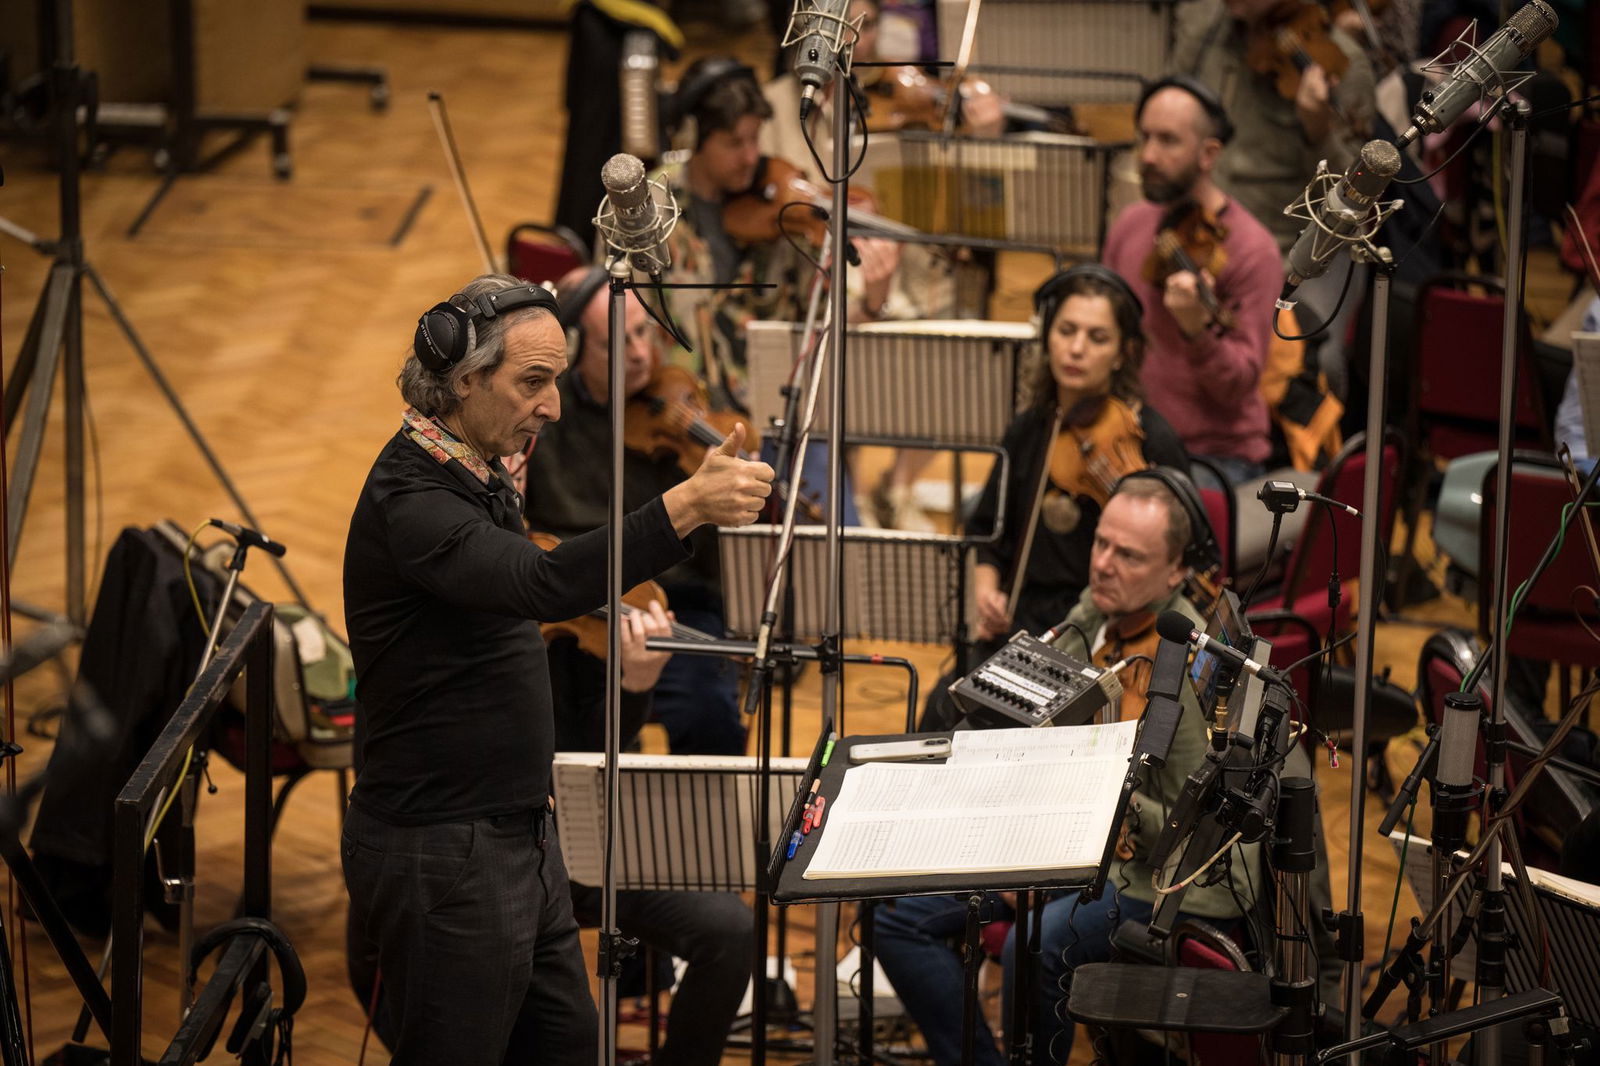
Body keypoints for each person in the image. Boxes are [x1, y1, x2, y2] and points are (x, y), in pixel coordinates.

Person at [341, 273, 775, 1065]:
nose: (554, 406)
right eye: (532, 382)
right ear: (464, 380)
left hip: (521, 834)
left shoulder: (476, 471)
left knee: (568, 1045)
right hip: (444, 851)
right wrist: (683, 506)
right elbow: (541, 584)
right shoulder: (414, 503)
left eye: (557, 380)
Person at [875, 474, 1258, 1066]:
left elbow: (1191, 833)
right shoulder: (1095, 613)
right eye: (1101, 543)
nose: (1103, 564)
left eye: (1129, 555)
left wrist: (1058, 852)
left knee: (1039, 941)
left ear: (1176, 573)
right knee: (895, 914)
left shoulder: (1186, 668)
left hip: (1161, 880)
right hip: (1074, 844)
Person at [526, 266, 745, 756]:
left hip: (676, 602)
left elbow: (712, 557)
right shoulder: (543, 420)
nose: (642, 354)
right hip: (579, 607)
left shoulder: (680, 405)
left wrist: (713, 492)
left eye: (643, 332)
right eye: (617, 344)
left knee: (709, 714)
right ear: (575, 350)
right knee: (568, 727)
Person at [657, 55, 900, 413]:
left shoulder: (784, 210)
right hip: (681, 413)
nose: (750, 157)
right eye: (734, 143)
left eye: (755, 138)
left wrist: (873, 301)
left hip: (773, 408)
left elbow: (824, 329)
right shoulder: (652, 208)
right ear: (693, 137)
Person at [965, 265, 1189, 652]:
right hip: (1025, 619)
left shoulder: (1150, 439)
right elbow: (988, 533)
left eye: (1097, 338)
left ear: (1123, 353)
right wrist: (988, 594)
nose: (1077, 348)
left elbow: (1183, 555)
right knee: (949, 691)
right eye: (1066, 331)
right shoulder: (1030, 429)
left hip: (1107, 628)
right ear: (1047, 337)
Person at [1102, 77, 1283, 485]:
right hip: (1129, 443)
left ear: (1208, 154)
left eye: (1168, 141)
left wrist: (1197, 331)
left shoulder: (1252, 250)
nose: (1148, 155)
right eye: (1145, 137)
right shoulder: (1131, 224)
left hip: (1213, 457)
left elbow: (1238, 385)